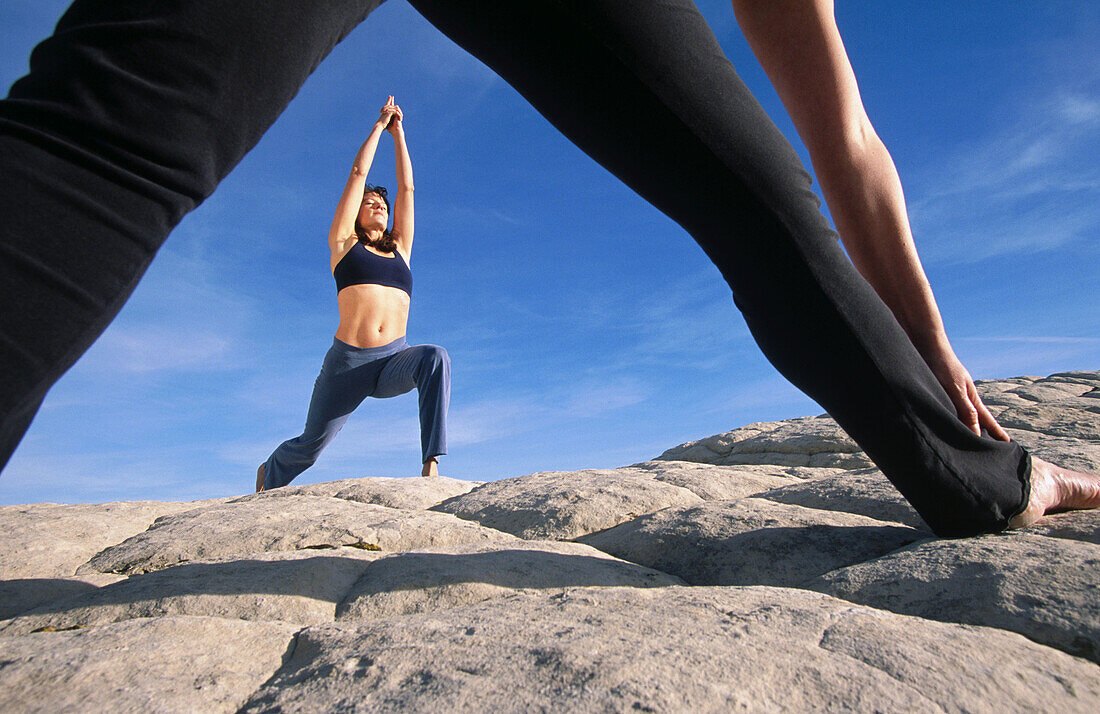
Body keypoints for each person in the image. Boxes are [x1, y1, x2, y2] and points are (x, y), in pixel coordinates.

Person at [1, 1, 1097, 534]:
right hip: (343, 354)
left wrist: (931, 347)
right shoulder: (353, 233)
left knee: (95, 137)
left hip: (387, 353)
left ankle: (973, 482)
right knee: (106, 135)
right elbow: (840, 144)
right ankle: (985, 486)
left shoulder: (399, 228)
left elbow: (835, 149)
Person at [257, 96, 449, 491]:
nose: (378, 204)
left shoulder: (402, 249)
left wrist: (401, 136)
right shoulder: (344, 244)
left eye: (382, 203)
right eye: (370, 203)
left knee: (435, 358)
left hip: (395, 358)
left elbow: (407, 188)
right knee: (310, 446)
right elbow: (359, 172)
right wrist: (379, 127)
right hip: (349, 363)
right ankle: (269, 473)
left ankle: (430, 462)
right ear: (357, 215)